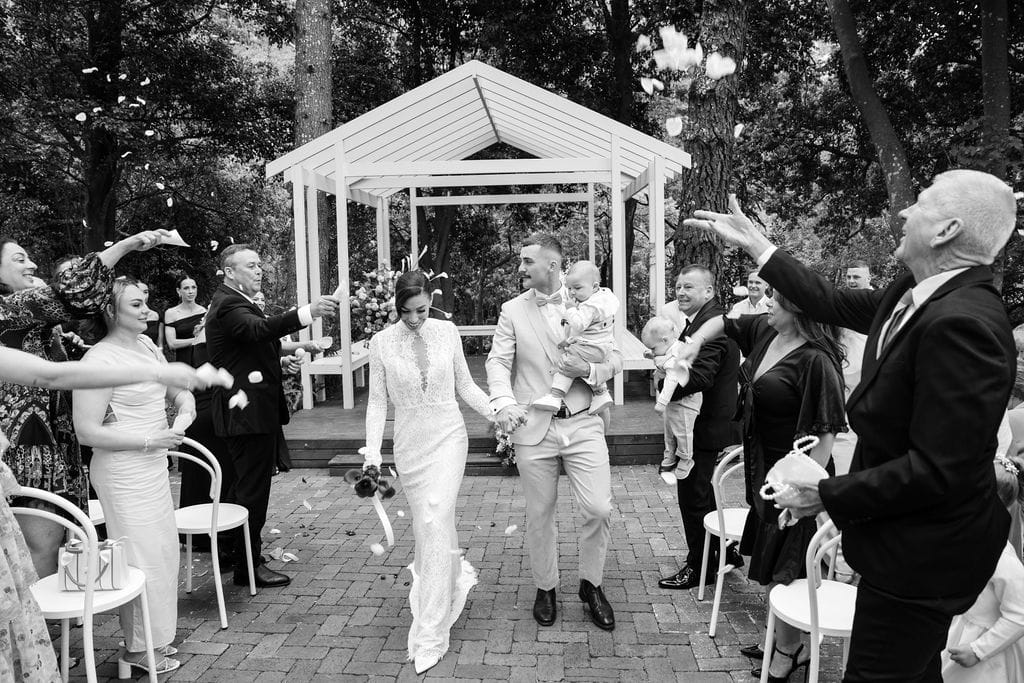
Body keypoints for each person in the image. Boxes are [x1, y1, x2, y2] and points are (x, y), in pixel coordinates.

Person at [685, 170, 1017, 682]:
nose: (904, 211)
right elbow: (829, 301)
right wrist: (758, 245)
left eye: (921, 202)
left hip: (921, 560)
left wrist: (826, 494)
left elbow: (939, 470)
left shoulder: (965, 323)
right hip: (901, 546)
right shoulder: (914, 294)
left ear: (947, 230)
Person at [0, 342, 201, 682]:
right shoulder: (94, 353)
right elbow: (51, 377)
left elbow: (51, 375)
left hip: (132, 464)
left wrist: (160, 375)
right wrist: (153, 374)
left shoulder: (135, 346)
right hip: (102, 464)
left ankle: (150, 639)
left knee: (161, 552)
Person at [678, 291, 848, 680]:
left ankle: (789, 652)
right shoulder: (768, 331)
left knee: (785, 566)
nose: (768, 304)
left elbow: (826, 433)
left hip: (793, 479)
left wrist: (803, 489)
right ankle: (782, 637)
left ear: (798, 309)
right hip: (763, 470)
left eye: (776, 299)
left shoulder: (816, 360)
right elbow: (723, 322)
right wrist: (694, 343)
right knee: (771, 562)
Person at [0, 230, 172, 577]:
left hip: (55, 443)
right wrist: (126, 245)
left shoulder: (31, 322)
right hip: (30, 447)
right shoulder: (9, 309)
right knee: (42, 547)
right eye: (19, 259)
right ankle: (36, 613)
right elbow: (74, 294)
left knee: (53, 545)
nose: (31, 264)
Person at [486, 233, 622, 633]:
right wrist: (503, 403)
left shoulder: (593, 301)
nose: (521, 268)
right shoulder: (512, 310)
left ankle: (591, 584)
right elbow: (498, 362)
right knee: (539, 513)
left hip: (583, 419)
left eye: (527, 261)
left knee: (598, 508)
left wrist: (591, 370)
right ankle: (546, 587)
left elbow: (615, 356)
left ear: (552, 265)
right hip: (534, 426)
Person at [73, 278, 205, 677]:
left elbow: (175, 389)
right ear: (110, 311)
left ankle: (155, 637)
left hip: (153, 466)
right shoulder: (98, 361)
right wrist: (150, 439)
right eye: (136, 304)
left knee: (163, 553)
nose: (148, 309)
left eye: (146, 300)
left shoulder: (147, 345)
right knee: (140, 560)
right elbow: (86, 431)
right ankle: (136, 649)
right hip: (123, 472)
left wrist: (185, 405)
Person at [361, 270, 491, 674]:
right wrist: (372, 455)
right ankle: (446, 579)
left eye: (421, 310)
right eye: (406, 312)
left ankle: (431, 632)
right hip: (410, 445)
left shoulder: (447, 332)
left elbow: (466, 386)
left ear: (430, 301)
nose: (414, 319)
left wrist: (498, 413)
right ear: (396, 307)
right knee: (429, 525)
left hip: (449, 436)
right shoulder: (381, 342)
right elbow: (377, 403)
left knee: (434, 518)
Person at [205, 244, 338, 589]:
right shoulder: (229, 304)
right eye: (251, 265)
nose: (259, 270)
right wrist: (307, 312)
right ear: (230, 272)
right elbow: (257, 331)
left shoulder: (236, 302)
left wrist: (280, 361)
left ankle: (232, 552)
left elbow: (247, 348)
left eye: (259, 264)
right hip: (245, 415)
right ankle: (248, 567)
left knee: (240, 486)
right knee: (252, 491)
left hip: (248, 412)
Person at [657, 266, 742, 591]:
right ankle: (726, 553)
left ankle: (698, 567)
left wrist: (664, 387)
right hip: (704, 424)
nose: (680, 292)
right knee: (702, 495)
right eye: (678, 286)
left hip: (702, 426)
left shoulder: (711, 325)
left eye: (688, 287)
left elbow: (702, 376)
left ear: (708, 291)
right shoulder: (702, 321)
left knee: (693, 498)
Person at [941, 455, 1024, 682]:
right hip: (958, 630)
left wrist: (978, 650)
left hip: (987, 654)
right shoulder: (971, 538)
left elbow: (1020, 614)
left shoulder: (1002, 557)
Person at [532, 260, 618, 415]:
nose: (572, 292)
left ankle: (555, 396)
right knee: (573, 357)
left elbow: (617, 360)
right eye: (570, 288)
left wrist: (588, 370)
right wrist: (569, 340)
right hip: (596, 346)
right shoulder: (600, 298)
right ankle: (601, 394)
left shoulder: (589, 304)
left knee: (568, 361)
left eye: (577, 288)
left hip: (585, 411)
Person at [641, 316, 702, 484]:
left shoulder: (676, 356)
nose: (653, 351)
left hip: (685, 402)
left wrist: (661, 403)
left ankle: (686, 458)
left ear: (665, 340)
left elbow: (671, 381)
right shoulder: (668, 347)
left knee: (683, 431)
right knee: (669, 428)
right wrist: (652, 355)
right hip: (673, 402)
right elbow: (662, 357)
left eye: (653, 348)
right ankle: (670, 453)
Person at [833, 260, 874, 474]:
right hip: (842, 376)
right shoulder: (842, 303)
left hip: (868, 376)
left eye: (856, 277)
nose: (851, 281)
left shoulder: (878, 305)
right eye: (849, 277)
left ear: (869, 278)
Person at [164, 274, 206, 366]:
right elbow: (172, 343)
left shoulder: (203, 311)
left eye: (193, 287)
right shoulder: (171, 313)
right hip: (184, 361)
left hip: (203, 359)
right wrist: (198, 340)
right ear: (178, 291)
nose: (191, 291)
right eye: (186, 288)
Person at [137, 280, 163, 347]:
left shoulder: (157, 314)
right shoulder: (125, 314)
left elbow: (160, 343)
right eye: (138, 292)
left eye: (145, 292)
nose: (143, 295)